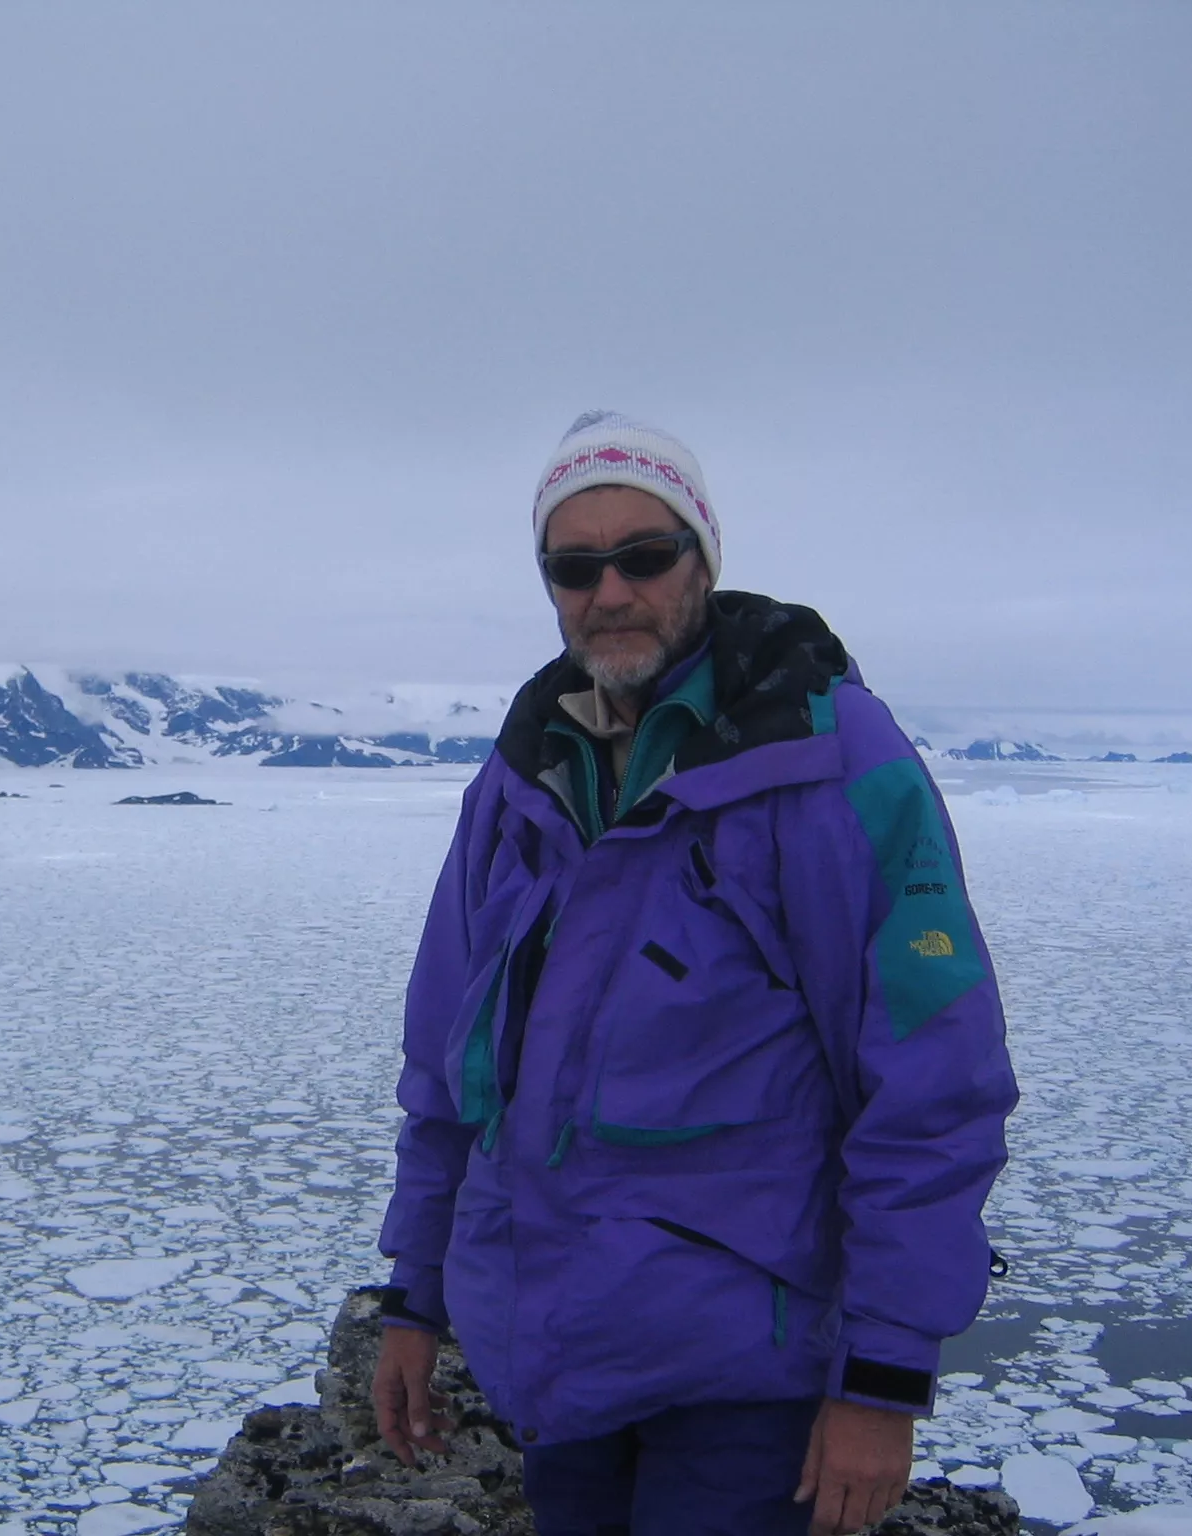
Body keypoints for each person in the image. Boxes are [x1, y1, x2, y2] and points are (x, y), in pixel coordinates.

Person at [371, 411, 1018, 1536]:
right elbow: (446, 1068)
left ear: (702, 562)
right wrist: (413, 1296)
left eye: (643, 554)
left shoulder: (832, 764)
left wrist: (879, 1378)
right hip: (556, 1353)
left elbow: (930, 1084)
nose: (607, 590)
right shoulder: (521, 779)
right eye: (573, 566)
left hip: (742, 1375)